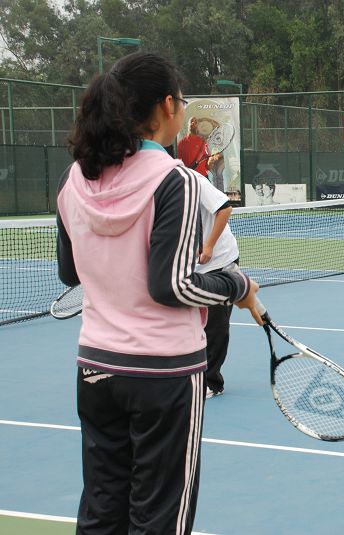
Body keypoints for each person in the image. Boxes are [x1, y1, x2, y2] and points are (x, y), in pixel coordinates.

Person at [57, 51, 262, 534]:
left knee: (101, 511)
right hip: (164, 376)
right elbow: (173, 285)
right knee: (160, 518)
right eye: (182, 100)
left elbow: (70, 273)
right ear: (168, 105)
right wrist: (237, 283)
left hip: (96, 367)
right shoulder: (176, 181)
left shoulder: (74, 178)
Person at [195, 173, 239, 399]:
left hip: (220, 261)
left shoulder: (194, 180)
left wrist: (208, 246)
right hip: (187, 269)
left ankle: (210, 382)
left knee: (215, 326)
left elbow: (225, 208)